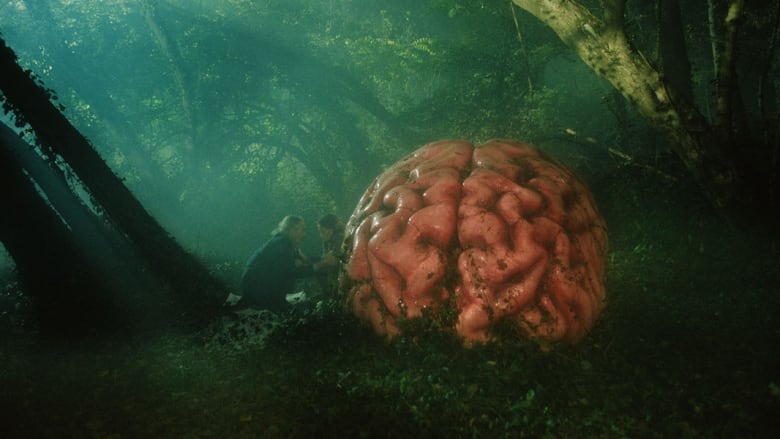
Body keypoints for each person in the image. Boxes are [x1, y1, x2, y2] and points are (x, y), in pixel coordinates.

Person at [238, 215, 336, 312]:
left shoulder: (283, 242)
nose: (304, 234)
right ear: (293, 230)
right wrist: (320, 264)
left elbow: (304, 258)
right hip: (257, 288)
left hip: (255, 286)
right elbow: (292, 272)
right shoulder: (282, 245)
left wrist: (322, 258)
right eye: (302, 230)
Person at [314, 213, 345, 298]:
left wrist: (317, 264)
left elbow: (334, 259)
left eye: (322, 231)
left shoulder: (340, 238)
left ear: (331, 229)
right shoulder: (327, 242)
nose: (321, 235)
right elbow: (325, 256)